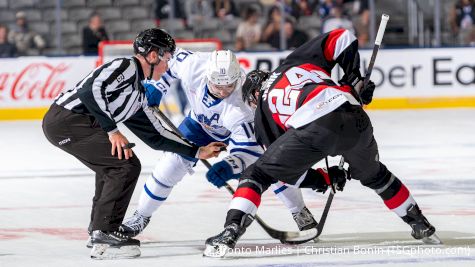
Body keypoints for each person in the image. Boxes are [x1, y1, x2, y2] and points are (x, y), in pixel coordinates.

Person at [204, 28, 439, 257]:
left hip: (316, 126)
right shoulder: (294, 63)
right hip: (356, 119)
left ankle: (230, 231)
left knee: (256, 174)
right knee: (376, 175)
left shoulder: (262, 110)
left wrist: (324, 179)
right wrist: (354, 80)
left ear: (255, 94)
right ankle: (421, 224)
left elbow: (285, 172)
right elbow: (342, 37)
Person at [42, 28, 224, 259]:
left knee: (118, 164)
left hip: (78, 124)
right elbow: (91, 90)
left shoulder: (138, 96)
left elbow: (157, 136)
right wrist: (113, 130)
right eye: (166, 59)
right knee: (123, 166)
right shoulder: (126, 66)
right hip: (67, 120)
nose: (167, 66)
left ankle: (100, 229)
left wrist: (197, 151)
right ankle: (104, 231)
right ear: (152, 55)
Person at [120, 49, 319, 238]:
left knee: (269, 167)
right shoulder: (195, 65)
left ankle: (298, 210)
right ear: (208, 77)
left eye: (229, 86)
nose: (223, 91)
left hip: (231, 131)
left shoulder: (241, 107)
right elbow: (168, 60)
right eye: (218, 86)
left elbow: (246, 151)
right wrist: (159, 86)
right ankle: (141, 215)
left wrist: (229, 165)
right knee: (169, 166)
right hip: (197, 125)